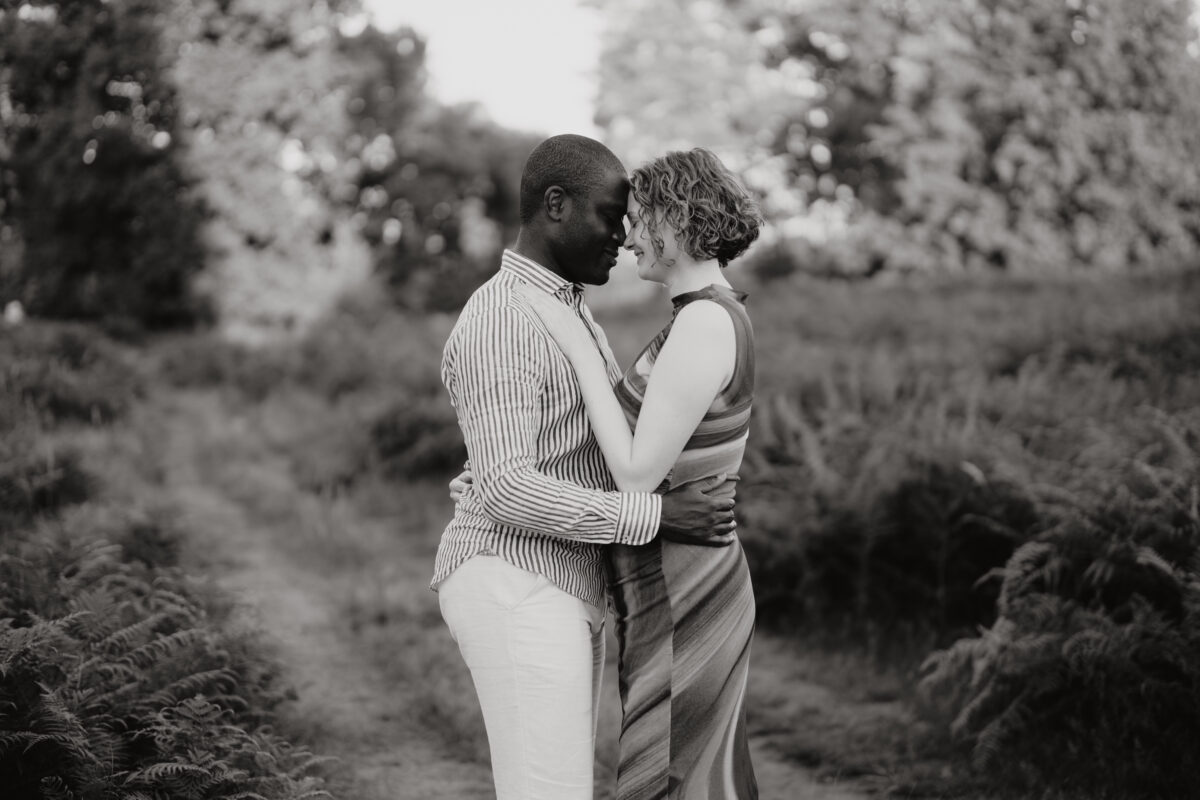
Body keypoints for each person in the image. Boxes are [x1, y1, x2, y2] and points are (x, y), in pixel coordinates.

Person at [431, 134, 738, 800]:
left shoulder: (563, 305)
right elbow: (510, 485)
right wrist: (653, 513)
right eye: (611, 214)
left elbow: (541, 458)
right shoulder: (507, 318)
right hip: (516, 582)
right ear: (556, 205)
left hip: (558, 580)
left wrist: (490, 483)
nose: (624, 236)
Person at [515, 147, 763, 799]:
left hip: (689, 587)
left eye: (641, 215)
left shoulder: (708, 321)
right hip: (663, 580)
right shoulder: (697, 315)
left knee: (672, 778)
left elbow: (633, 472)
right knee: (671, 775)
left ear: (678, 221)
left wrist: (575, 342)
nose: (627, 234)